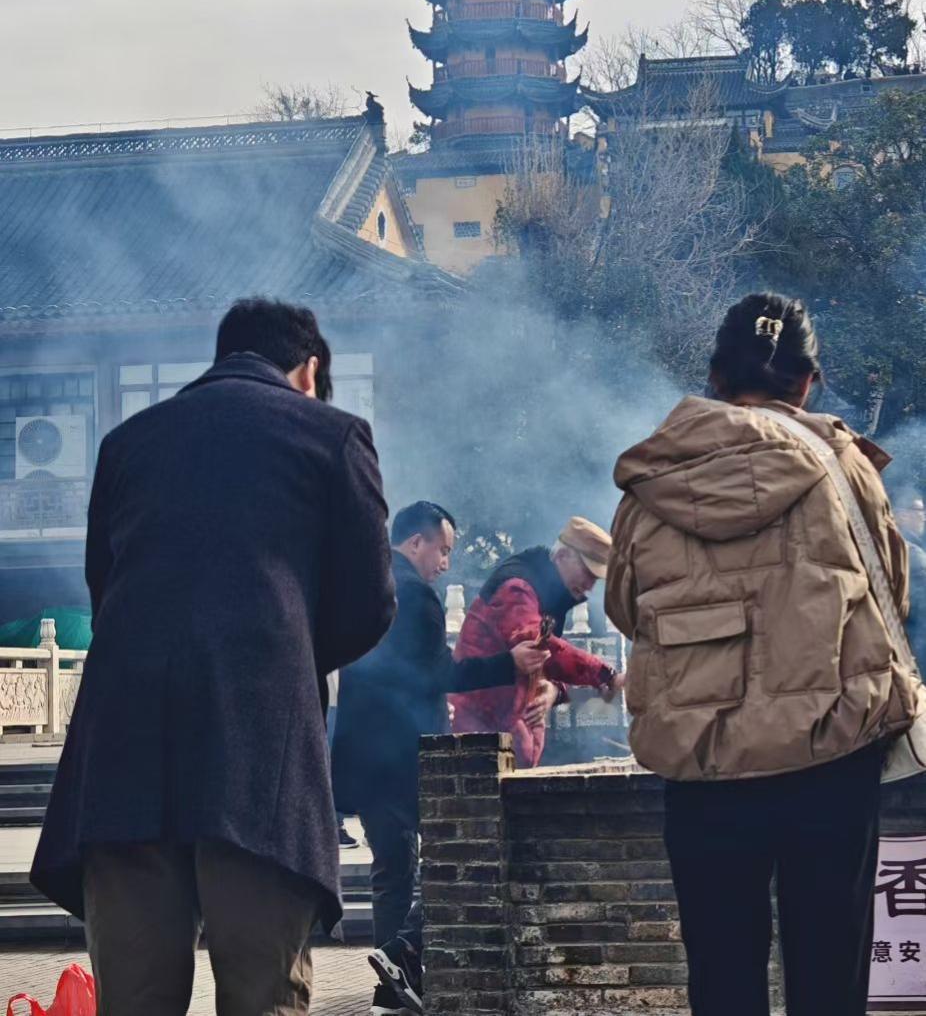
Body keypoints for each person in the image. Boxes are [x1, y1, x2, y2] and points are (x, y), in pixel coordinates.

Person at [31, 297, 397, 1016]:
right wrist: (282, 653)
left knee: (133, 1000)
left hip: (124, 755)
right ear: (310, 370)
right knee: (261, 994)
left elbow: (106, 589)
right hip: (257, 754)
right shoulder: (335, 437)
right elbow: (370, 603)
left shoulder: (128, 442)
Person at [607, 292, 925, 1016]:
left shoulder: (649, 485)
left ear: (715, 378)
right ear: (807, 380)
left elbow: (626, 612)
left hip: (703, 757)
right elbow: (892, 594)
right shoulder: (844, 470)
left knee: (722, 976)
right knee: (829, 971)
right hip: (828, 752)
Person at [331, 501, 547, 1016]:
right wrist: (507, 663)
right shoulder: (417, 598)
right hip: (406, 755)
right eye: (443, 549)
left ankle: (392, 984)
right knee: (449, 857)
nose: (445, 563)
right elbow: (435, 678)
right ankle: (400, 960)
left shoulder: (363, 587)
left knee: (393, 871)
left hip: (365, 756)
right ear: (415, 542)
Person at [451, 517, 623, 767]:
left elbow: (541, 663)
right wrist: (604, 674)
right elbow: (538, 646)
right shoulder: (517, 588)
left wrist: (555, 690)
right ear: (562, 556)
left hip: (508, 734)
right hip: (477, 734)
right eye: (587, 572)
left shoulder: (551, 595)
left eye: (595, 578)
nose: (589, 585)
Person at [895, 487, 926, 674]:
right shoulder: (913, 553)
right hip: (917, 642)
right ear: (902, 515)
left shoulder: (888, 546)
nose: (923, 517)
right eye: (919, 511)